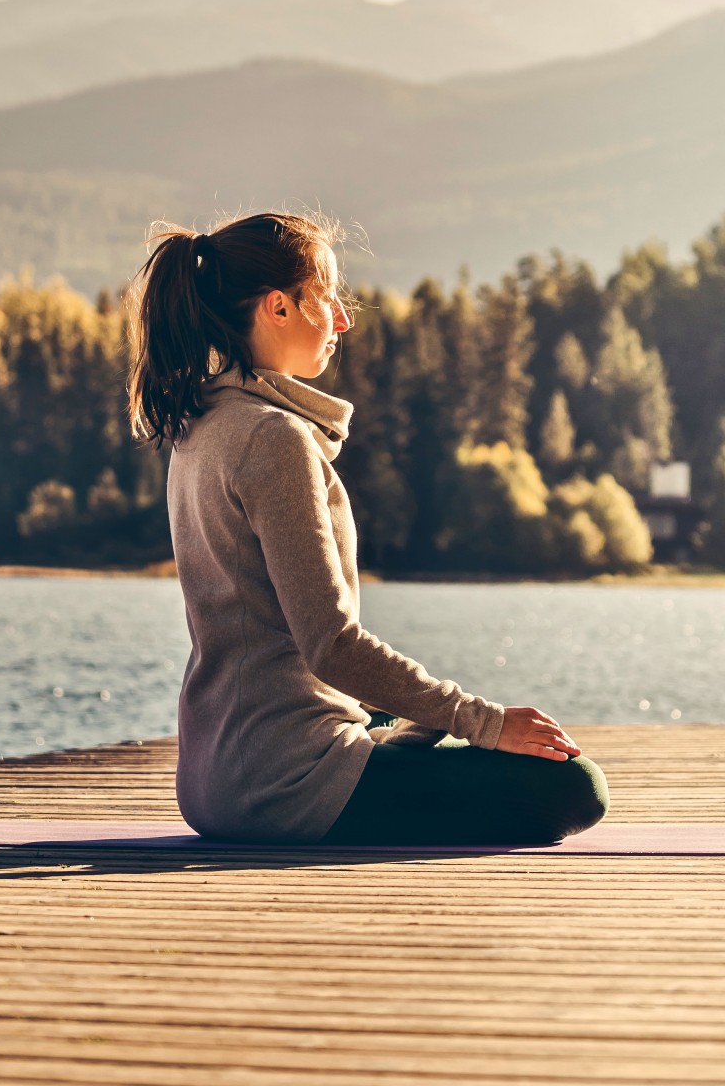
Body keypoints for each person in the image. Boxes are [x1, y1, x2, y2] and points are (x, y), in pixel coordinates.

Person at [127, 210, 609, 847]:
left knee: (409, 720)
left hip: (216, 774)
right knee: (575, 784)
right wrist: (484, 721)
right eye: (327, 296)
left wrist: (434, 717)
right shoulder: (272, 438)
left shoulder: (201, 425)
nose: (343, 320)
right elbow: (331, 644)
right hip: (285, 781)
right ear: (278, 307)